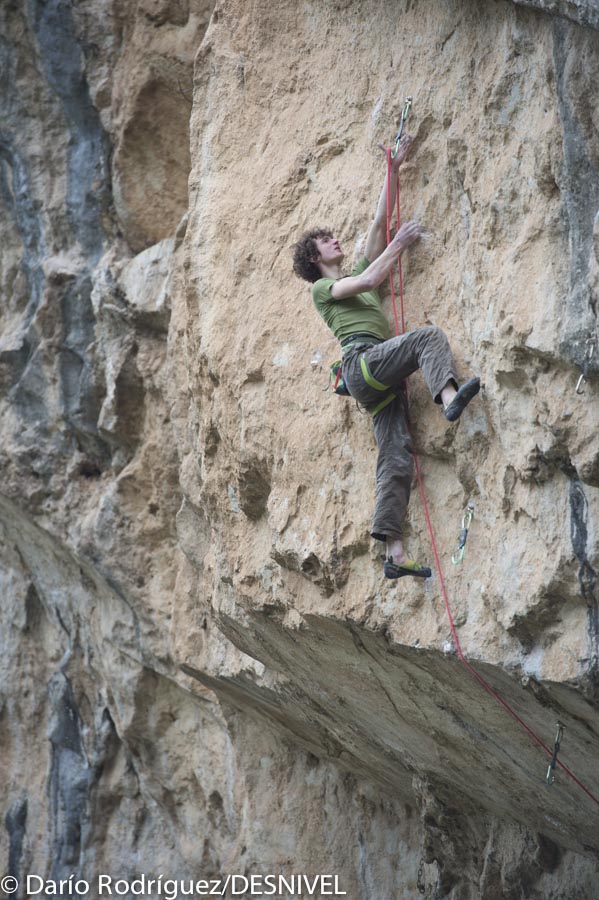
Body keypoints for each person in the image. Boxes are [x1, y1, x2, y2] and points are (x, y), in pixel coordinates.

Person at [292, 134, 480, 579]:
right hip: (363, 362)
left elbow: (378, 225)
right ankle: (449, 396)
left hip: (375, 384)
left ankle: (394, 553)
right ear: (314, 258)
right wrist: (401, 244)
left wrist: (393, 169)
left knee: (395, 456)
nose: (334, 241)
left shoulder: (353, 270)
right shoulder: (324, 289)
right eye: (326, 241)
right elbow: (372, 273)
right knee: (426, 339)